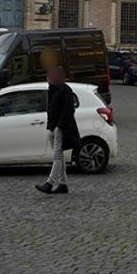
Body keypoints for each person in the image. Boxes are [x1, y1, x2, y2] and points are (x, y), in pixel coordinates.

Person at [37, 64, 80, 195]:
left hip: (61, 128)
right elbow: (51, 109)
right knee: (59, 156)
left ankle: (50, 183)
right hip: (53, 126)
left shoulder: (65, 90)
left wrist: (59, 126)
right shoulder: (53, 90)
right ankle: (62, 183)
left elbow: (68, 110)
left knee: (57, 156)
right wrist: (51, 126)